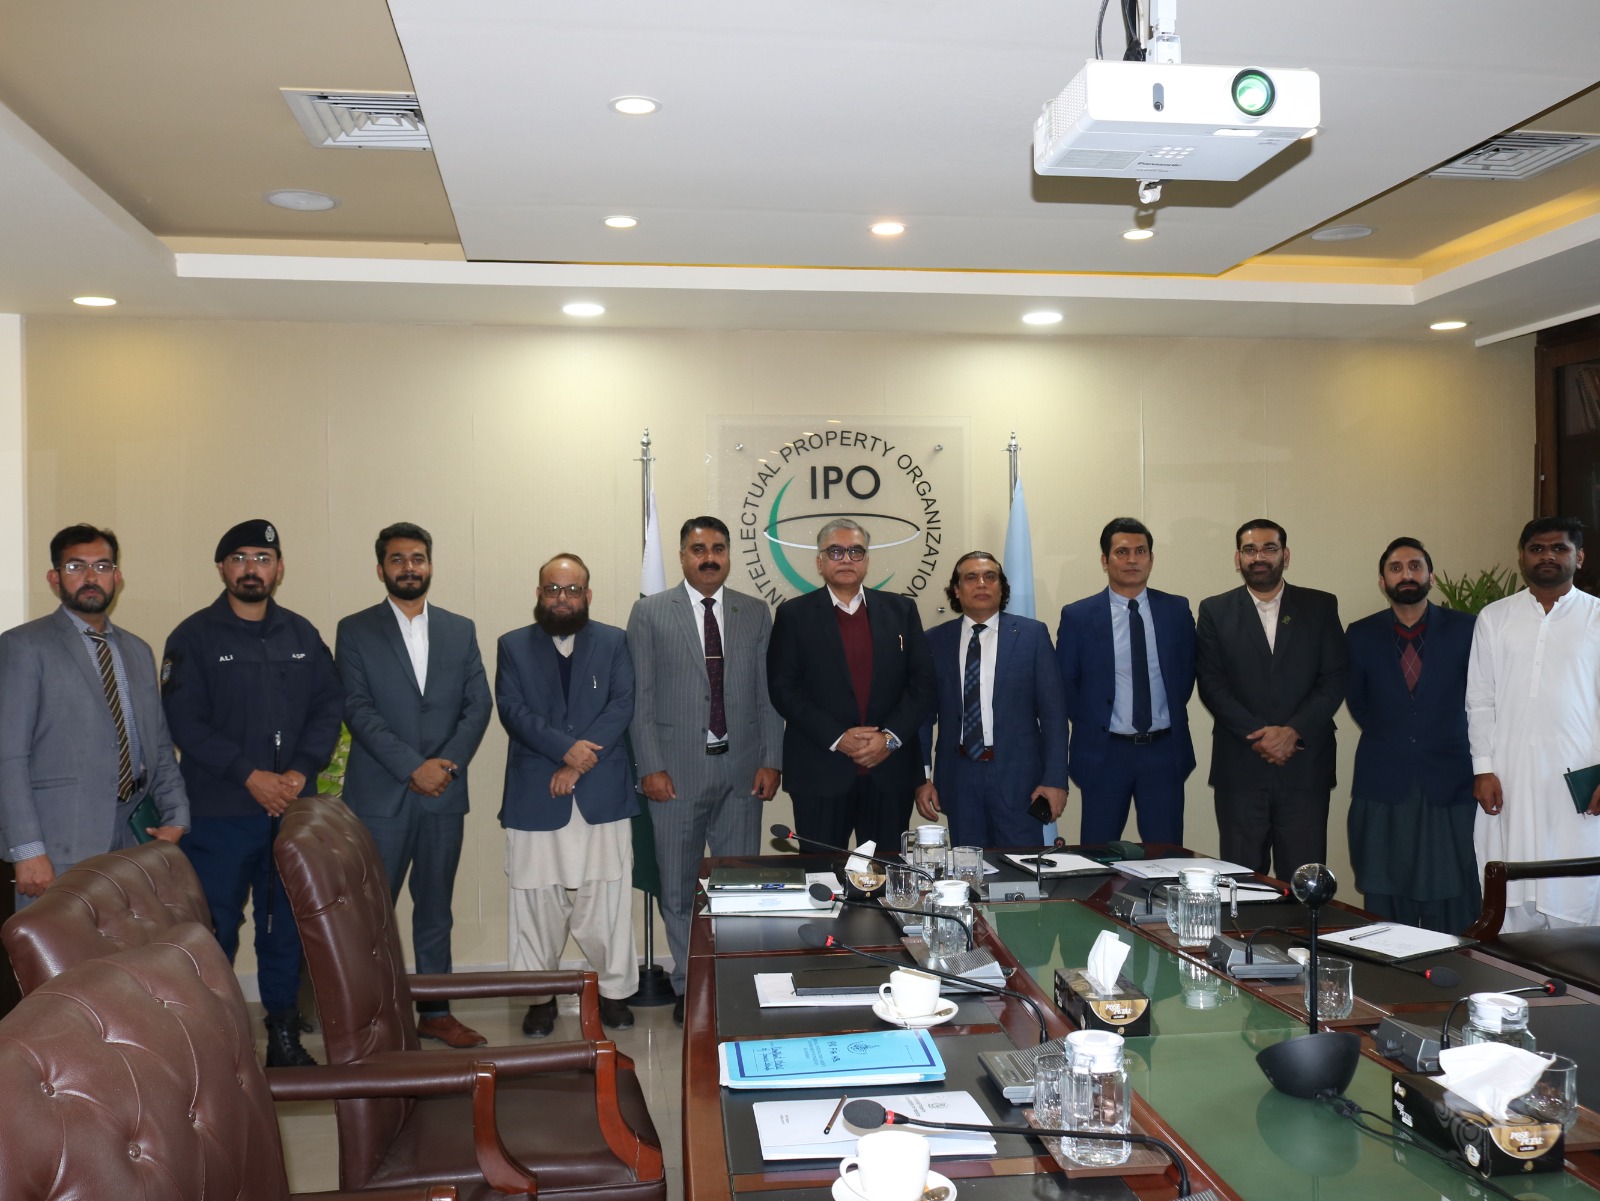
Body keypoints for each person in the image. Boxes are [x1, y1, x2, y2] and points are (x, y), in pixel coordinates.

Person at [162, 519, 342, 1066]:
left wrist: (300, 772)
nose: (251, 568)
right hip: (220, 812)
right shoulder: (193, 637)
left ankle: (283, 1035)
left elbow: (328, 708)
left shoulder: (302, 635)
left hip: (290, 811)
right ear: (221, 568)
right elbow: (184, 721)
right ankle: (214, 1044)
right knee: (214, 929)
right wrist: (250, 775)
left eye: (262, 559)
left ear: (279, 569)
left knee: (284, 927)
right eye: (239, 558)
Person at [335, 522, 493, 1048]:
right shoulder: (355, 630)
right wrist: (413, 767)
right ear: (381, 568)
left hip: (443, 795)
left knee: (436, 911)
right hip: (380, 797)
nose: (409, 567)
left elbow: (478, 705)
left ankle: (436, 1013)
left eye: (418, 558)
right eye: (398, 559)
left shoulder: (459, 629)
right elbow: (357, 708)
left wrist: (444, 766)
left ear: (430, 565)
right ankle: (375, 1019)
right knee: (371, 916)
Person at [627, 516, 783, 1024]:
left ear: (729, 555)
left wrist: (771, 759)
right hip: (675, 775)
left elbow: (768, 695)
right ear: (681, 556)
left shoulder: (754, 612)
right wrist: (650, 766)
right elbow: (640, 699)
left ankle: (732, 980)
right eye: (698, 549)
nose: (709, 557)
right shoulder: (650, 612)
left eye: (718, 548)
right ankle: (689, 985)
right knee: (677, 888)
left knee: (738, 888)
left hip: (743, 773)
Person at [0, 524, 188, 907]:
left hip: (134, 838)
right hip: (57, 846)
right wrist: (28, 849)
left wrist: (176, 816)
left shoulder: (138, 651)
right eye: (76, 566)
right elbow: (9, 756)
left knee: (126, 945)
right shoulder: (23, 646)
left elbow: (158, 744)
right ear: (54, 578)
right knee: (59, 947)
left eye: (102, 566)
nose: (90, 577)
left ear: (117, 577)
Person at [496, 553, 637, 1035]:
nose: (563, 598)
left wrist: (576, 764)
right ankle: (538, 997)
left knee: (607, 902)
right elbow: (512, 710)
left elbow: (622, 705)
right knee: (535, 904)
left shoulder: (614, 641)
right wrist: (564, 752)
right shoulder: (512, 645)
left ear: (587, 594)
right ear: (539, 593)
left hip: (600, 789)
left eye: (573, 589)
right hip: (537, 791)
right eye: (553, 589)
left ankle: (614, 993)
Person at [766, 518, 936, 853]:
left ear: (867, 560)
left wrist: (889, 739)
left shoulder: (901, 610)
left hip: (890, 772)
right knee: (821, 874)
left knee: (886, 873)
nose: (846, 559)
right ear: (820, 562)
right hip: (820, 772)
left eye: (856, 551)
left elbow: (923, 684)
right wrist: (837, 738)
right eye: (835, 551)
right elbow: (783, 689)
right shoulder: (793, 615)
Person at [1469, 516, 1600, 932]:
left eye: (1559, 548)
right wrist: (1483, 769)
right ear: (1522, 557)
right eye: (1537, 548)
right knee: (1509, 903)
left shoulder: (1597, 616)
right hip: (1508, 780)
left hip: (1578, 784)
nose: (1547, 556)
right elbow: (1480, 700)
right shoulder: (1494, 617)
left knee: (1575, 905)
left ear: (1579, 557)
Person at [1195, 519, 1346, 877]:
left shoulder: (1320, 606)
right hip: (1241, 768)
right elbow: (1212, 685)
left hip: (1304, 768)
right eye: (1250, 550)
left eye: (1269, 548)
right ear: (1238, 558)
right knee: (1242, 881)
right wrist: (1262, 737)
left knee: (1305, 882)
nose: (1258, 557)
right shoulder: (1215, 610)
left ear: (1285, 555)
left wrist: (1293, 731)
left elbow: (1335, 678)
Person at [1345, 537, 1479, 932]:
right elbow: (1359, 702)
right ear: (1383, 581)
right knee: (1385, 897)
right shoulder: (1360, 634)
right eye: (1396, 568)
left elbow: (1482, 698)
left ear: (1431, 577)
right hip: (1384, 780)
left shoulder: (1467, 629)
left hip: (1451, 781)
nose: (1407, 574)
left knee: (1454, 896)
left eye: (1415, 566)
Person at [1056, 518, 1197, 845]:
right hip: (1104, 754)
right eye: (1122, 552)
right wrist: (1096, 722)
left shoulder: (1176, 610)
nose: (1132, 559)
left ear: (1151, 558)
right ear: (1105, 560)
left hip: (1163, 752)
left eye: (1140, 551)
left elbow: (1185, 674)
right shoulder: (1078, 616)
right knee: (1097, 855)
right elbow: (1067, 684)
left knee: (1166, 855)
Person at [915, 550, 1068, 846]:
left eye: (990, 577)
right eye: (971, 578)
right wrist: (922, 777)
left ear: (1001, 587)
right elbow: (923, 717)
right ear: (957, 590)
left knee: (1021, 869)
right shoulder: (935, 640)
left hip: (1020, 780)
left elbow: (1054, 715)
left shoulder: (1032, 635)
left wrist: (1055, 779)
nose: (981, 583)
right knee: (968, 868)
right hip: (959, 777)